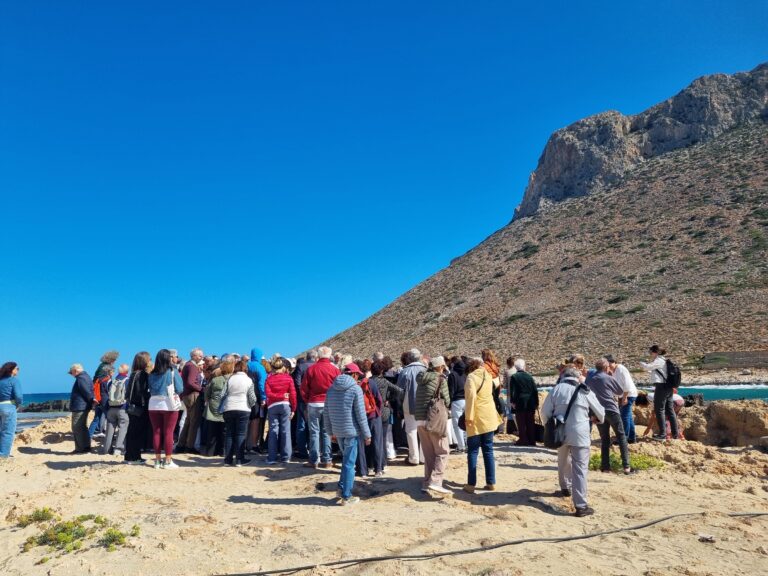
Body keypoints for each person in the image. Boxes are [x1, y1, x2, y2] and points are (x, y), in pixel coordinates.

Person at [541, 367, 606, 517]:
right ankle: (581, 505)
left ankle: (565, 488)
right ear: (578, 378)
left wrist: (550, 426)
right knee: (580, 469)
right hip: (580, 433)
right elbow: (600, 412)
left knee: (563, 460)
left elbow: (545, 412)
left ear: (563, 376)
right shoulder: (584, 390)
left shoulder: (556, 389)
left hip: (561, 431)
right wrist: (597, 420)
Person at [323, 363, 372, 505]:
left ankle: (341, 488)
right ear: (355, 374)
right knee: (349, 464)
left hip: (338, 431)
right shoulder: (355, 389)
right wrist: (367, 434)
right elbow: (361, 415)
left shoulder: (331, 389)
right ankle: (346, 496)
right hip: (351, 431)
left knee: (346, 461)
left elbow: (326, 413)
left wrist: (330, 431)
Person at [586, 358, 632, 474]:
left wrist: (591, 414)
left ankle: (605, 467)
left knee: (604, 439)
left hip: (598, 412)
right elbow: (620, 392)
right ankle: (626, 466)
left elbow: (587, 397)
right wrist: (611, 376)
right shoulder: (608, 377)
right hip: (611, 410)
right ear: (606, 368)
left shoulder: (589, 379)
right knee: (621, 437)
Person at [413, 356, 452, 494]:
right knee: (443, 450)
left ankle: (426, 482)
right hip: (434, 420)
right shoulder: (441, 379)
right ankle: (435, 481)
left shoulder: (422, 379)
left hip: (419, 419)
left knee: (428, 452)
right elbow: (446, 400)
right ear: (441, 366)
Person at [463, 358, 502, 493]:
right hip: (489, 417)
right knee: (488, 450)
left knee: (473, 451)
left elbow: (470, 399)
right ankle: (491, 482)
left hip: (477, 417)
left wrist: (469, 418)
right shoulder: (488, 375)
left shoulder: (471, 378)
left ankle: (471, 484)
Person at [300, 346, 340, 469]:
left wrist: (308, 400)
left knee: (314, 432)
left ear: (318, 355)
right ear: (329, 355)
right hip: (328, 404)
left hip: (314, 403)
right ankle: (327, 459)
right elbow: (339, 387)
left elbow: (304, 388)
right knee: (326, 432)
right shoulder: (334, 370)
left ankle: (314, 459)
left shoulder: (312, 369)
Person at [147, 349, 184, 469]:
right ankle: (168, 460)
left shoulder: (152, 373)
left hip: (153, 403)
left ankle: (157, 460)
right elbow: (180, 388)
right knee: (169, 432)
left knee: (156, 432)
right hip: (168, 403)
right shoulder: (172, 371)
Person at [221, 359, 257, 466]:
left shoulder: (230, 379)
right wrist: (250, 405)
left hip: (229, 407)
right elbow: (252, 397)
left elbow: (222, 394)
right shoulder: (248, 380)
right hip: (243, 408)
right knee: (240, 434)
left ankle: (227, 460)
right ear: (245, 369)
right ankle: (240, 460)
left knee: (229, 434)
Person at [640, 345, 679, 441]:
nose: (650, 354)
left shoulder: (658, 360)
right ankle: (675, 434)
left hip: (661, 387)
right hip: (668, 387)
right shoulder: (664, 360)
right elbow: (654, 371)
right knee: (670, 410)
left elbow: (647, 367)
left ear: (656, 352)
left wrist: (640, 362)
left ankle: (662, 434)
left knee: (659, 410)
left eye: (651, 352)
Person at [397, 348, 426, 466]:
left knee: (411, 431)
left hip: (409, 405)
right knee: (424, 431)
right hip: (425, 405)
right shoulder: (426, 369)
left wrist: (400, 403)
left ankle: (414, 458)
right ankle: (424, 458)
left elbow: (400, 390)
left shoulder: (405, 371)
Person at [370, 360, 403, 463]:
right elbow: (399, 390)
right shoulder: (384, 381)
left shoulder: (368, 381)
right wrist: (389, 399)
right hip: (384, 410)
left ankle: (373, 461)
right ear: (381, 370)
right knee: (383, 437)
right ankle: (382, 461)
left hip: (371, 410)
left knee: (372, 437)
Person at [265, 358, 296, 464]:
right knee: (286, 431)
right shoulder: (288, 378)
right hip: (285, 405)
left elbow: (268, 394)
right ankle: (286, 457)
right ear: (283, 367)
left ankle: (272, 457)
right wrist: (294, 408)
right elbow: (293, 394)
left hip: (272, 406)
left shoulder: (268, 379)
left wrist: (276, 396)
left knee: (273, 431)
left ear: (273, 367)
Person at [124, 352, 151, 464]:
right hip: (139, 406)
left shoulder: (133, 373)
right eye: (149, 359)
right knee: (136, 433)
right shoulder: (143, 374)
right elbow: (141, 392)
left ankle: (130, 456)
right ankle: (134, 457)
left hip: (132, 406)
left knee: (131, 432)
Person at [358, 365, 384, 477]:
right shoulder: (371, 383)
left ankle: (363, 470)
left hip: (358, 417)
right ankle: (378, 469)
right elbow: (379, 400)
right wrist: (377, 411)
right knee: (376, 442)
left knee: (361, 444)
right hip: (373, 415)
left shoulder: (352, 385)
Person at [177, 348, 204, 454]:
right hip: (192, 395)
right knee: (194, 422)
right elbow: (190, 382)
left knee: (188, 421)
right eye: (199, 355)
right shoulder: (192, 366)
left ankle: (181, 445)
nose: (201, 357)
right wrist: (201, 389)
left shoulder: (187, 365)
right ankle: (189, 446)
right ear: (193, 356)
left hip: (186, 395)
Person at [606, 354, 638, 443]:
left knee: (624, 417)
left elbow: (627, 384)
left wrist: (624, 397)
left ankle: (623, 438)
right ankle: (631, 438)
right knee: (628, 417)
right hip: (623, 395)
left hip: (628, 395)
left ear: (614, 362)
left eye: (610, 364)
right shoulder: (613, 371)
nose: (609, 366)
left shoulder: (621, 369)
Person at [291, 350, 317, 460]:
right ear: (315, 357)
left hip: (302, 400)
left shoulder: (300, 367)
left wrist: (302, 395)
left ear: (306, 357)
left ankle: (302, 451)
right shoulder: (317, 366)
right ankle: (314, 450)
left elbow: (296, 383)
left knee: (301, 425)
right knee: (314, 425)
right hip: (315, 399)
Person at [508, 359, 539, 446]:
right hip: (531, 401)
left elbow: (513, 391)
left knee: (521, 422)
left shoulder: (514, 377)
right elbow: (535, 390)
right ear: (524, 367)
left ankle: (523, 440)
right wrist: (536, 402)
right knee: (530, 421)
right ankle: (532, 440)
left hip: (520, 401)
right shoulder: (529, 376)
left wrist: (512, 401)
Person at [203, 360, 231, 457]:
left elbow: (207, 394)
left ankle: (210, 452)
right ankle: (223, 451)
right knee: (224, 431)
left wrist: (208, 400)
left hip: (213, 407)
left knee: (212, 431)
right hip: (226, 407)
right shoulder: (231, 379)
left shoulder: (215, 380)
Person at [102, 363, 130, 456]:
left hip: (111, 408)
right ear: (127, 371)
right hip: (122, 407)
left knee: (110, 429)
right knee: (123, 428)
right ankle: (118, 448)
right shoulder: (127, 380)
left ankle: (106, 449)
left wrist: (106, 409)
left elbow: (106, 395)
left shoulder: (112, 381)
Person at [90, 351, 119, 438]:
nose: (115, 361)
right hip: (104, 398)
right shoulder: (105, 372)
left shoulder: (101, 366)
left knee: (97, 417)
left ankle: (90, 435)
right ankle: (110, 436)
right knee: (110, 417)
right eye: (114, 359)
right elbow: (107, 388)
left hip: (98, 397)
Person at [68, 364, 94, 454]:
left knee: (76, 427)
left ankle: (80, 448)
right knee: (82, 427)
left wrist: (91, 399)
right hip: (83, 406)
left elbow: (86, 391)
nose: (72, 375)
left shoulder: (81, 378)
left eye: (71, 373)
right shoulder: (86, 376)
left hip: (80, 406)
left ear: (75, 371)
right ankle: (86, 447)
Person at [247, 347, 268, 453]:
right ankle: (253, 445)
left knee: (246, 420)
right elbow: (261, 384)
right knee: (255, 420)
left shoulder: (246, 365)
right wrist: (264, 398)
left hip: (245, 396)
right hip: (256, 397)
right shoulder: (260, 367)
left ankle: (245, 444)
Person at [0, 362, 23, 458]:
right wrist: (18, 404)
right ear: (11, 370)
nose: (18, 370)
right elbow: (18, 396)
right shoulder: (13, 380)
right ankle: (4, 455)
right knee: (8, 431)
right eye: (17, 368)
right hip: (9, 407)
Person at [448, 357, 467, 453]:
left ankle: (461, 446)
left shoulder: (452, 375)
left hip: (456, 401)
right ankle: (467, 444)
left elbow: (451, 390)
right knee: (466, 423)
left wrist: (448, 403)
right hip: (466, 400)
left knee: (457, 425)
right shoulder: (466, 374)